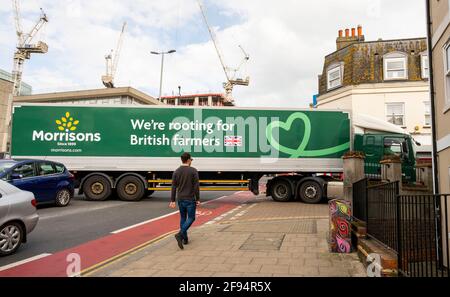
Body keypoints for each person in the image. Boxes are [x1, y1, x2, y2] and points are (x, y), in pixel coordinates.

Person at [169, 152, 200, 250]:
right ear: (188, 160)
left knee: (183, 218)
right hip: (190, 199)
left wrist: (173, 200)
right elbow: (196, 186)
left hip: (180, 199)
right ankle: (180, 234)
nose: (191, 161)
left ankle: (185, 239)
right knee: (191, 218)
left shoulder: (176, 171)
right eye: (191, 159)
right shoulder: (193, 171)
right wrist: (198, 198)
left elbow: (173, 186)